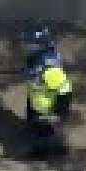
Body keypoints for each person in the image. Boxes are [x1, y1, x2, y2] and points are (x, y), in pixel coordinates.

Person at [22, 28, 73, 160]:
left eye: (29, 43)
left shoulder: (48, 64)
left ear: (40, 45)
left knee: (45, 131)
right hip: (38, 103)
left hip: (48, 107)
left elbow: (64, 89)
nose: (25, 46)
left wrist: (58, 112)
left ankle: (51, 150)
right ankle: (49, 149)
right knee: (40, 129)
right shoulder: (35, 59)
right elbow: (36, 83)